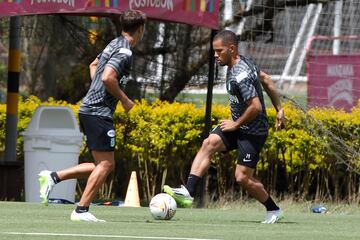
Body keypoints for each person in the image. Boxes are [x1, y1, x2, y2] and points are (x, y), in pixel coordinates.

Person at [163, 30, 285, 224]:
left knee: (242, 178)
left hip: (253, 132)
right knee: (209, 143)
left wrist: (235, 123)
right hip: (238, 126)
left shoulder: (241, 74)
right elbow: (267, 80)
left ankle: (273, 209)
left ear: (231, 49)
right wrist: (279, 109)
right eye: (214, 51)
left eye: (219, 51)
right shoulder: (241, 62)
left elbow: (256, 107)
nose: (215, 55)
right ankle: (188, 192)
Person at [38, 10, 146, 222]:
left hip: (89, 108)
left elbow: (94, 66)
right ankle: (81, 210)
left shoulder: (113, 43)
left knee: (103, 164)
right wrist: (124, 100)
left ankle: (53, 177)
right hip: (98, 112)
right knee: (106, 165)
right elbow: (107, 77)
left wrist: (96, 89)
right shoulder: (125, 52)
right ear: (141, 29)